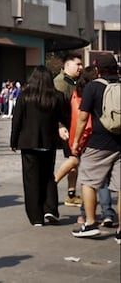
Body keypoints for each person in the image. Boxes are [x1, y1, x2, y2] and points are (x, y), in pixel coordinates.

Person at [10, 66, 70, 226]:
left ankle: (36, 216)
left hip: (29, 143)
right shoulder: (57, 96)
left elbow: (17, 120)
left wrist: (14, 141)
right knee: (48, 177)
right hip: (48, 143)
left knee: (31, 180)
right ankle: (50, 208)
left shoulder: (25, 96)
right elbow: (64, 118)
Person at [71, 54, 121, 241]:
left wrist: (76, 141)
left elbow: (83, 118)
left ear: (98, 70)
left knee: (88, 181)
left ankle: (90, 223)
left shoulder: (93, 87)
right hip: (120, 144)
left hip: (99, 143)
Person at [54, 52, 85, 206]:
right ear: (67, 65)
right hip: (66, 128)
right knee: (74, 159)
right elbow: (55, 108)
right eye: (77, 64)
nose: (81, 67)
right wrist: (60, 126)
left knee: (75, 160)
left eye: (81, 64)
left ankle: (71, 194)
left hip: (73, 127)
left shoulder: (74, 81)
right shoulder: (60, 83)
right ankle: (51, 185)